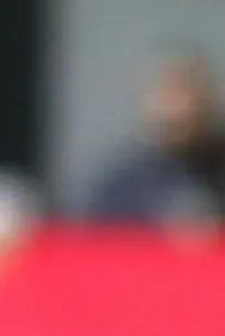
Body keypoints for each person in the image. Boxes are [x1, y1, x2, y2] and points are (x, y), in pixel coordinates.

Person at [80, 50, 223, 227]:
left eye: (188, 92)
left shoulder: (218, 170)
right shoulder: (120, 185)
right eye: (168, 93)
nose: (179, 108)